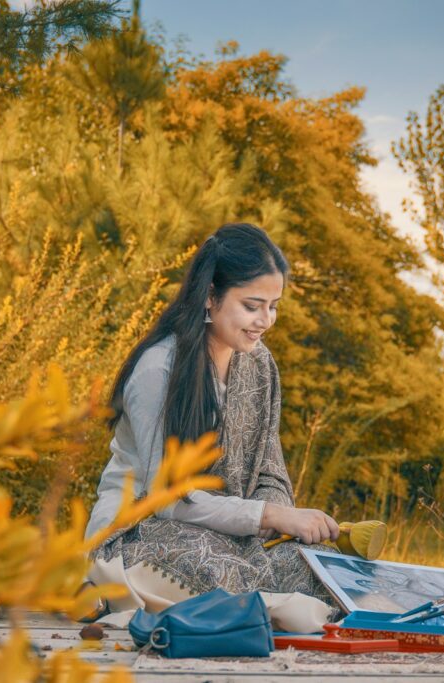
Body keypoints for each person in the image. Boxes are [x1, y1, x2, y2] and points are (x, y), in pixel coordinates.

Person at [86, 223, 340, 608]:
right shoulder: (159, 370)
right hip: (145, 527)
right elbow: (167, 499)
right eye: (251, 306)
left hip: (234, 530)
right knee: (212, 568)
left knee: (321, 566)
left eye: (273, 307)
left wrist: (280, 522)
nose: (265, 320)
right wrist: (266, 515)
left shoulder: (260, 366)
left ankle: (258, 602)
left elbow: (270, 472)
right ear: (210, 297)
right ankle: (100, 587)